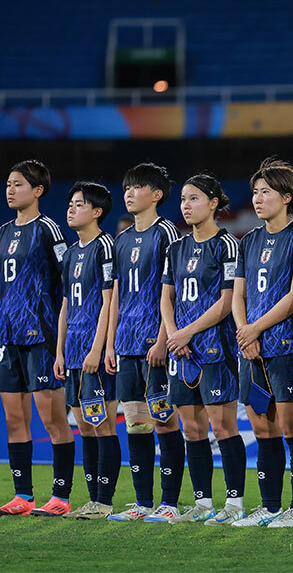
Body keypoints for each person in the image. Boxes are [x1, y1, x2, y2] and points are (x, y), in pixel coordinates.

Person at [231, 158, 293, 528]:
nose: (257, 198)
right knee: (263, 430)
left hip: (283, 347)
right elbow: (238, 294)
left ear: (286, 197)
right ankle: (268, 508)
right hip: (250, 350)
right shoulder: (248, 240)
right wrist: (243, 331)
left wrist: (256, 329)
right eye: (254, 191)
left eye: (265, 191)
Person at [0, 160, 75, 518]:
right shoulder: (3, 231)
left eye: (18, 184)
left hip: (41, 337)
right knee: (14, 421)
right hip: (9, 338)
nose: (10, 190)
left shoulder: (49, 230)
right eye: (8, 184)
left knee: (53, 420)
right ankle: (22, 496)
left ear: (38, 190)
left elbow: (68, 281)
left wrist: (61, 339)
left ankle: (60, 497)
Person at [161, 174, 247, 525]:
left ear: (213, 203)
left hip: (216, 349)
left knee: (223, 426)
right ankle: (202, 503)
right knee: (192, 430)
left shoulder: (227, 245)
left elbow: (227, 302)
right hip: (181, 352)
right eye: (183, 198)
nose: (186, 205)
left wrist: (187, 333)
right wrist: (173, 335)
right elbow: (166, 296)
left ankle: (235, 504)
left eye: (194, 198)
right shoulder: (176, 248)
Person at [103, 164, 184, 522]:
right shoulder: (121, 239)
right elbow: (116, 297)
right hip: (127, 344)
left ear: (157, 195)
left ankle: (169, 503)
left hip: (156, 343)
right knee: (135, 423)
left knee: (164, 421)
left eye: (138, 187)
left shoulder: (168, 234)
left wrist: (165, 339)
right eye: (127, 187)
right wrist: (110, 344)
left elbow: (175, 293)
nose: (129, 193)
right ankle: (143, 503)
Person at [53, 182, 119, 520]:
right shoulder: (70, 252)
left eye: (79, 204)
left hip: (94, 352)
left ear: (97, 211)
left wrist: (98, 348)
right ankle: (93, 500)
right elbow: (65, 303)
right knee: (85, 426)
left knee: (103, 425)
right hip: (73, 351)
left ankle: (104, 501)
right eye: (70, 203)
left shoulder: (105, 246)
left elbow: (110, 301)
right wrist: (60, 351)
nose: (71, 209)